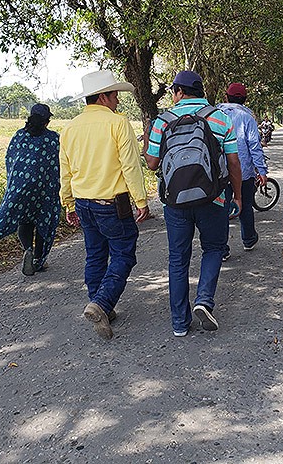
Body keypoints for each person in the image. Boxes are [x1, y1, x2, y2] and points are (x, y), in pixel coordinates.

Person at [144, 70, 242, 337]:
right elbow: (233, 162)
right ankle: (203, 301)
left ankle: (179, 323)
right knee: (213, 248)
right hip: (214, 198)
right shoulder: (220, 118)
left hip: (175, 201)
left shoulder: (162, 121)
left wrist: (148, 143)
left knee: (178, 258)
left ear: (178, 92)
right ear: (200, 91)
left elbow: (152, 163)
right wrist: (238, 195)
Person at [60, 70, 150, 340]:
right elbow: (130, 165)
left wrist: (68, 203)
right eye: (115, 96)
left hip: (84, 203)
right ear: (103, 97)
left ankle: (100, 304)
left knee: (95, 254)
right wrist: (141, 199)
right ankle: (101, 303)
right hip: (113, 202)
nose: (118, 102)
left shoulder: (69, 128)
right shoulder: (118, 124)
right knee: (124, 254)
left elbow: (65, 171)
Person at [0, 103, 61, 276]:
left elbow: (10, 159)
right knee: (43, 220)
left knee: (24, 220)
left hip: (21, 186)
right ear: (47, 121)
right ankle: (38, 260)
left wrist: (14, 183)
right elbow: (60, 162)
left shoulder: (19, 136)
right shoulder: (52, 138)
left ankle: (27, 249)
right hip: (45, 188)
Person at [218, 82, 268, 253]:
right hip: (243, 171)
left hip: (220, 172)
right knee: (245, 205)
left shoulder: (215, 115)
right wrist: (261, 171)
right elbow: (254, 146)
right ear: (245, 99)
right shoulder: (247, 118)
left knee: (221, 208)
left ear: (226, 96)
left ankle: (222, 248)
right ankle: (248, 239)